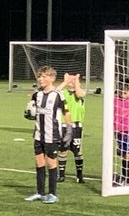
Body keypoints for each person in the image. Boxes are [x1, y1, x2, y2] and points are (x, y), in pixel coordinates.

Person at [23, 66, 67, 203]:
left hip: (52, 135)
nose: (41, 79)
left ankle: (52, 193)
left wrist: (69, 130)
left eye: (44, 76)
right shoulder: (37, 94)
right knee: (39, 162)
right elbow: (32, 110)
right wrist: (29, 113)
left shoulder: (57, 95)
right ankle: (40, 192)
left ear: (52, 78)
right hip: (38, 134)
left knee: (51, 163)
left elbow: (66, 112)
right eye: (39, 76)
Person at [58, 71, 86, 184]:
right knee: (63, 150)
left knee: (77, 151)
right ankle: (61, 175)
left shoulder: (80, 93)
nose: (71, 82)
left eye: (73, 81)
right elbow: (55, 91)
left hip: (76, 126)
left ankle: (79, 175)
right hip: (64, 126)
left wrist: (76, 82)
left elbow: (79, 94)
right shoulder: (62, 93)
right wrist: (65, 81)